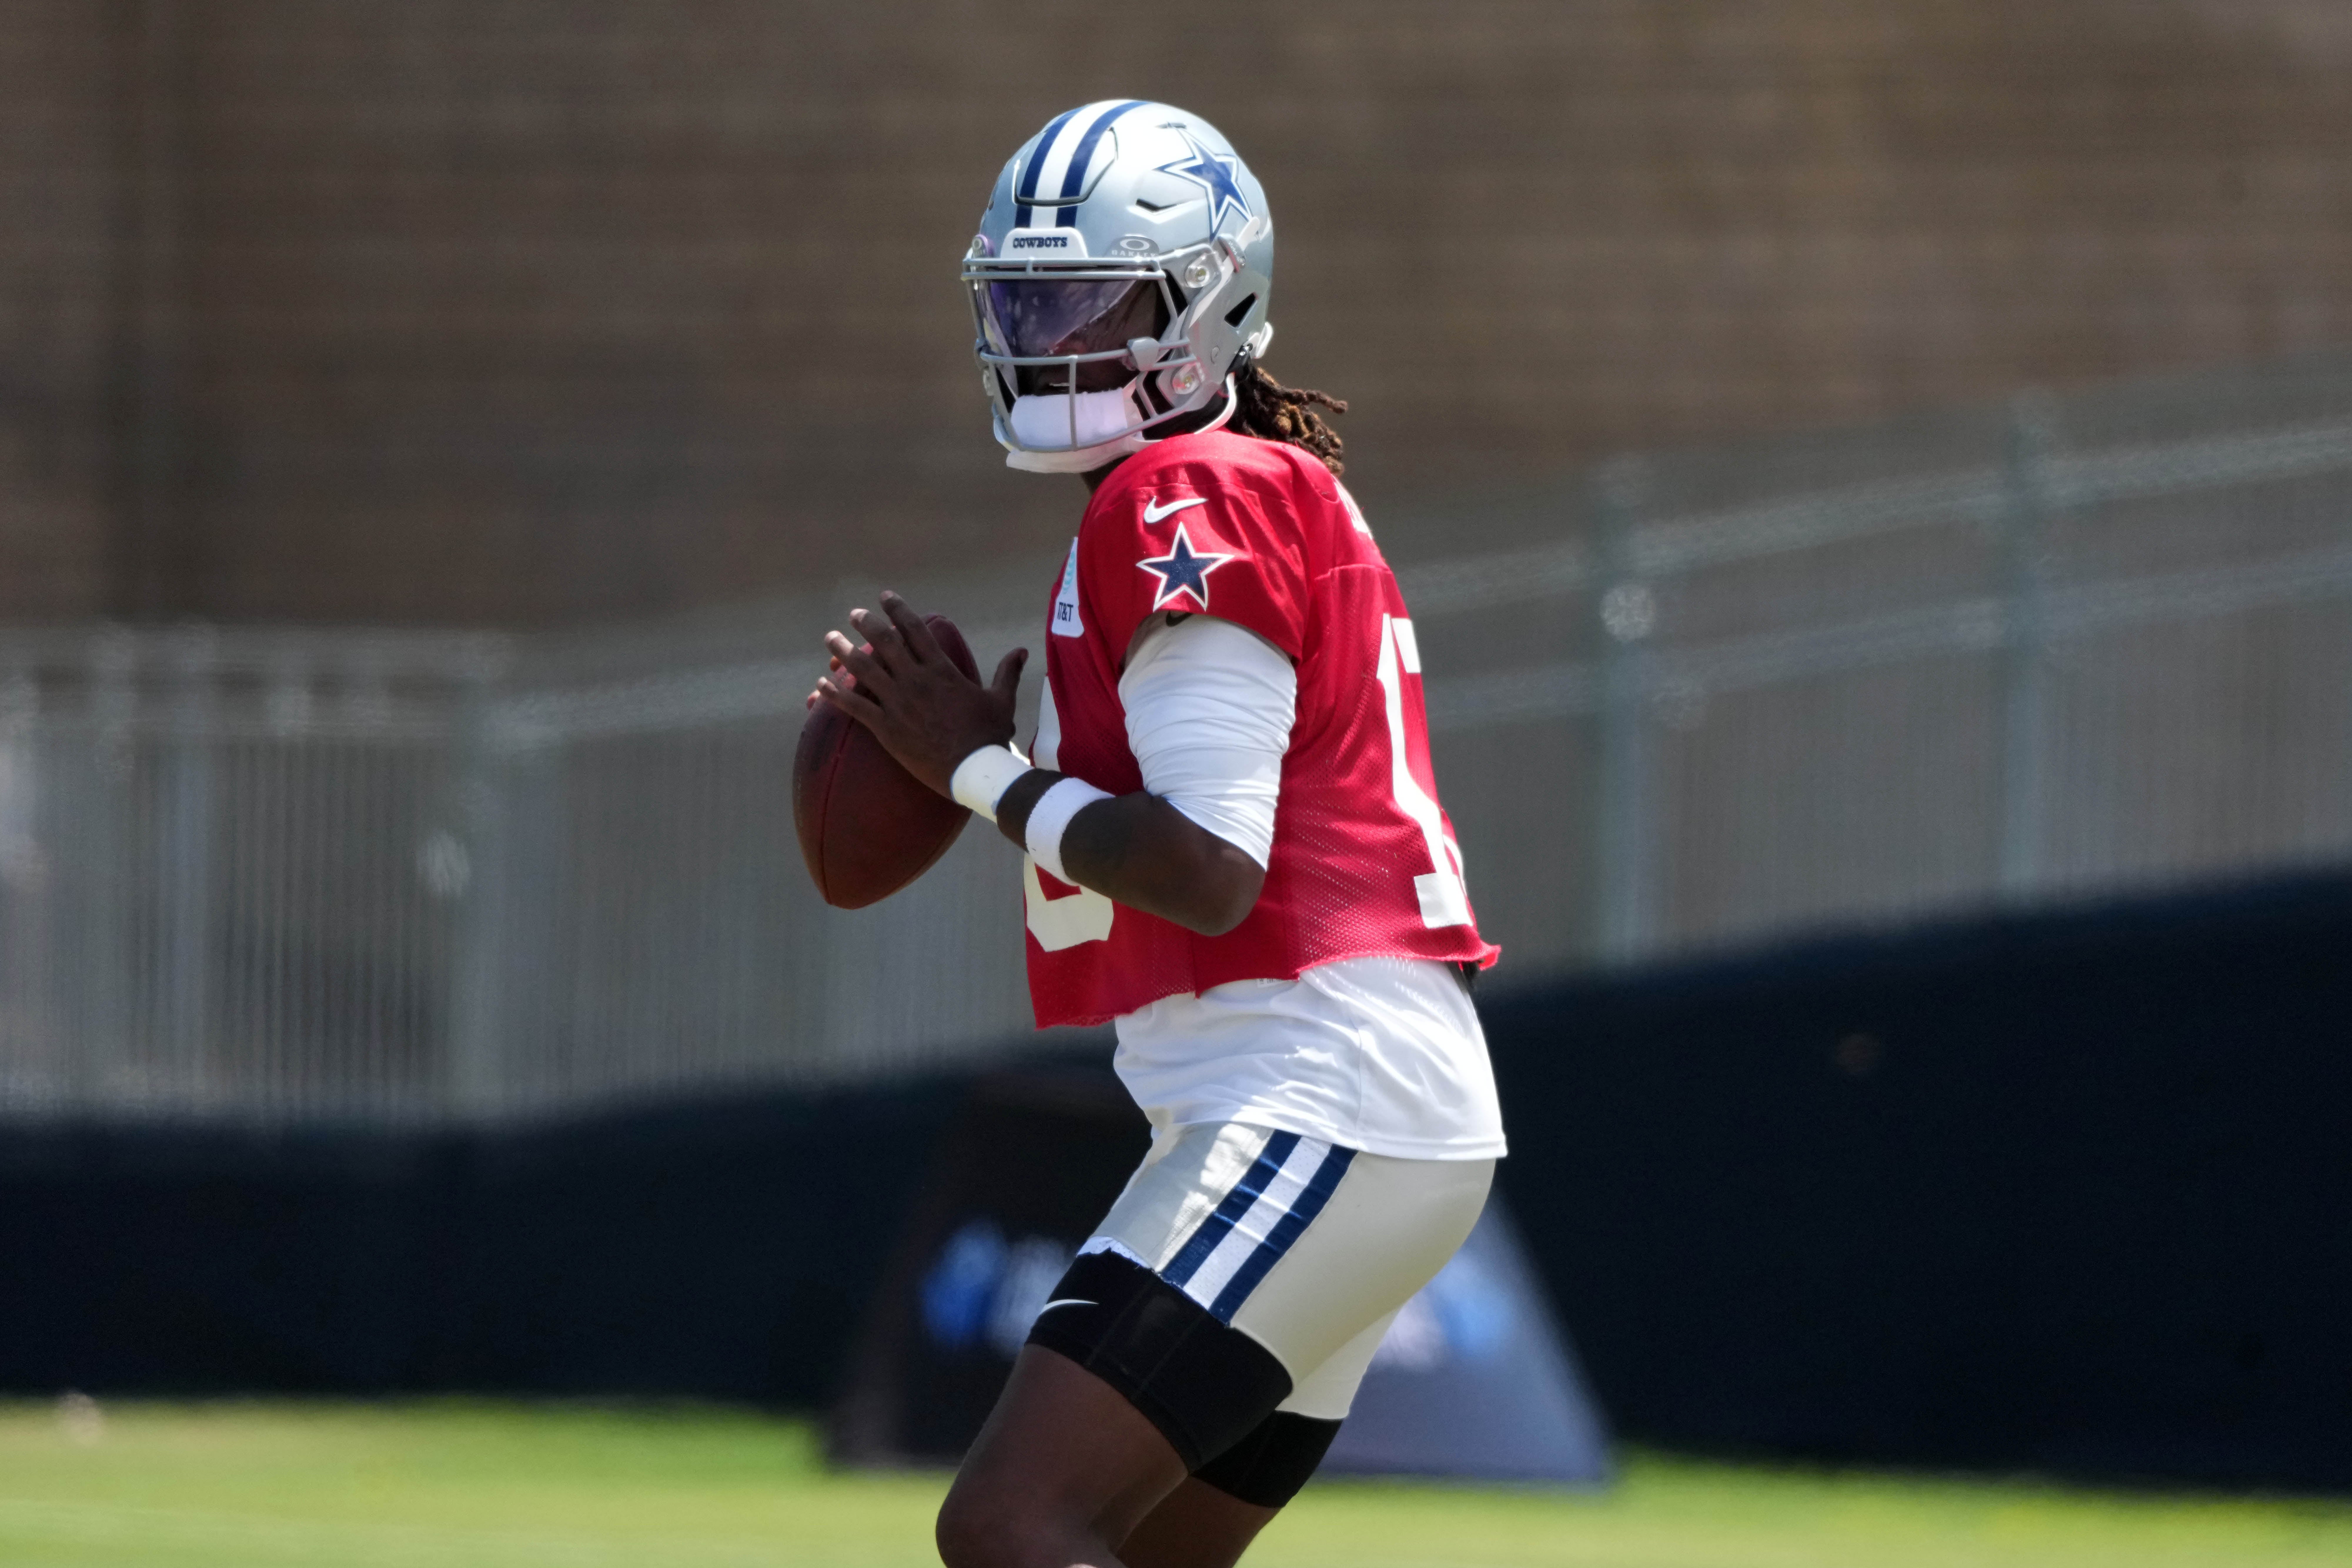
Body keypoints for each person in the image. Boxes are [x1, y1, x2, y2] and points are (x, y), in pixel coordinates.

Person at [812, 101, 1506, 1568]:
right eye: (1030, 300)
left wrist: (975, 770)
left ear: (1210, 295)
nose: (1054, 335)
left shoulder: (1185, 488)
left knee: (1012, 1522)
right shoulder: (1224, 482)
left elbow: (1208, 866)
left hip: (1316, 1085)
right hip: (1332, 1095)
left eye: (1095, 297)